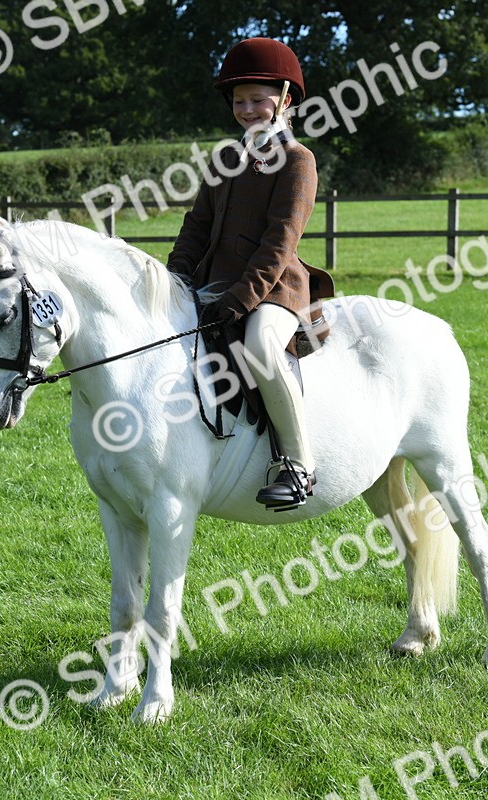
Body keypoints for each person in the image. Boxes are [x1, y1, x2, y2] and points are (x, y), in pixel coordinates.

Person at [166, 38, 332, 511]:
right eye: (239, 101)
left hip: (275, 289)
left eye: (257, 99)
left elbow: (280, 242)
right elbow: (195, 228)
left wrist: (241, 298)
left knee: (260, 346)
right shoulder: (224, 161)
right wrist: (175, 279)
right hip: (214, 284)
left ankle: (298, 464)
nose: (247, 109)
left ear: (284, 99)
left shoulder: (299, 161)